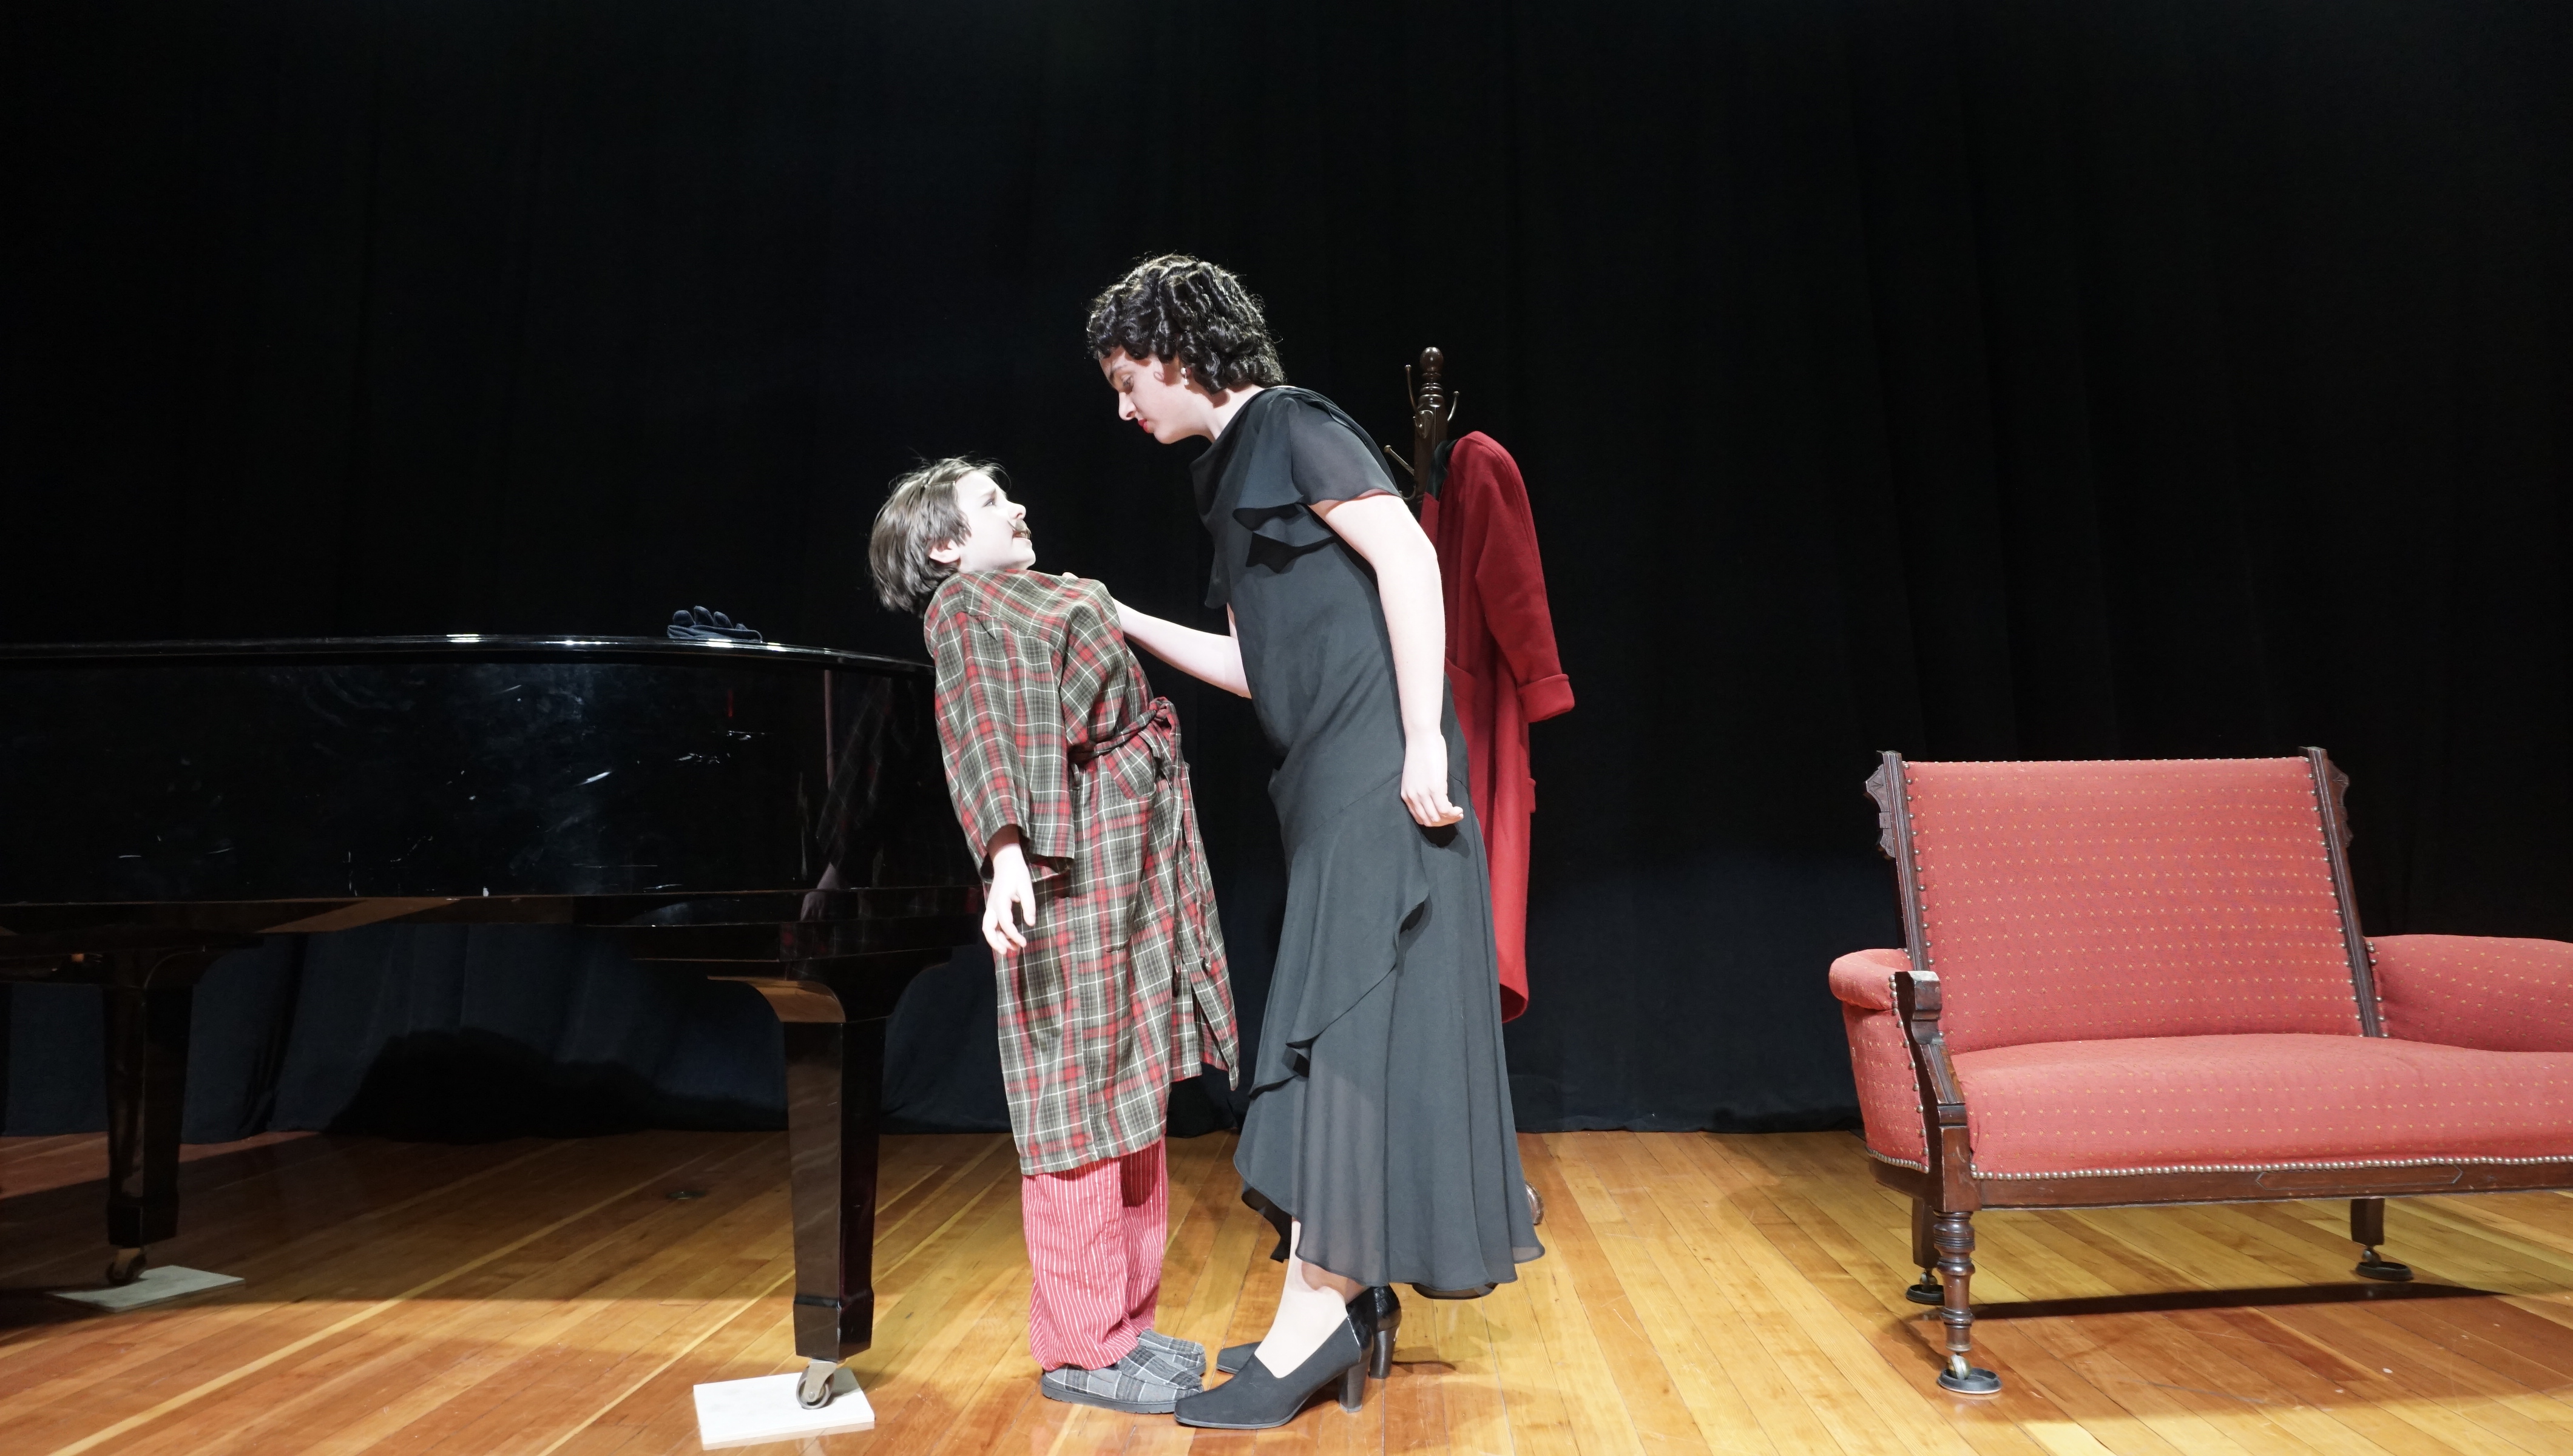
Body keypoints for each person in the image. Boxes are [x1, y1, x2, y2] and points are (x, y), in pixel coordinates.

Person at [1089, 257, 1543, 1431]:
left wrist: (1423, 740)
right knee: (1349, 1033)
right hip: (1323, 774)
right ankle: (1343, 1304)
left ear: (1179, 353)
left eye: (1131, 379)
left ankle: (1316, 1321)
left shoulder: (1294, 423)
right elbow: (1257, 667)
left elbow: (1410, 558)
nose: (1125, 407)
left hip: (1379, 763)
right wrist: (1119, 615)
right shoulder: (1227, 472)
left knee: (1338, 1031)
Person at [867, 457, 1239, 1415]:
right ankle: (1081, 1344)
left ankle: (1127, 1326)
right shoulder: (964, 609)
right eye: (992, 502)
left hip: (1125, 841)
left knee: (1132, 1087)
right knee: (1076, 1098)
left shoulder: (1033, 594)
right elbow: (980, 731)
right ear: (944, 546)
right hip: (1068, 862)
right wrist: (1004, 856)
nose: (1019, 506)